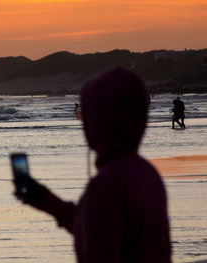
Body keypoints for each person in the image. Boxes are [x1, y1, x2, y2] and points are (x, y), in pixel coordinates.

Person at [13, 68, 171, 262]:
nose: (83, 121)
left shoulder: (106, 187)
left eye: (85, 114)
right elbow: (99, 226)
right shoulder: (147, 174)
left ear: (99, 120)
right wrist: (46, 201)